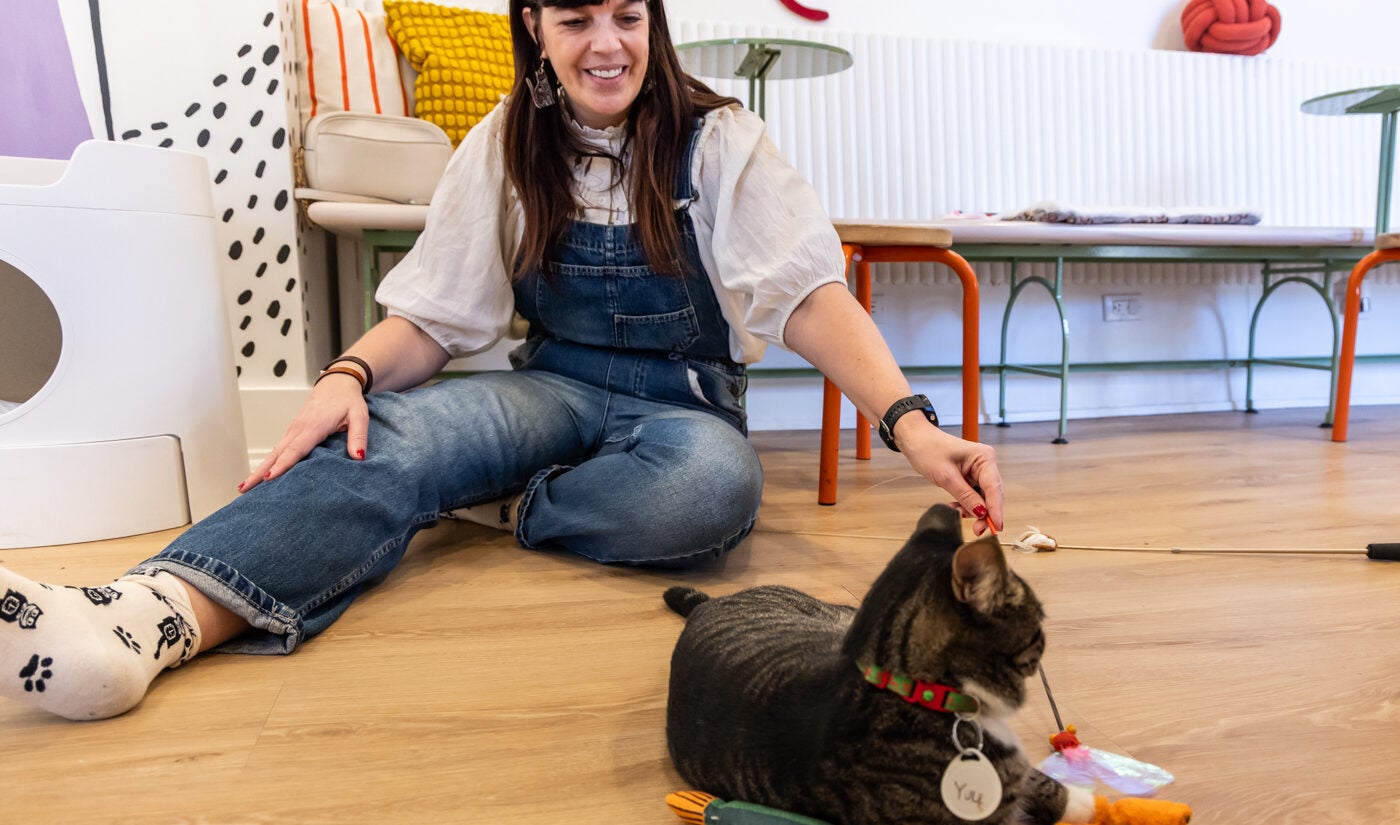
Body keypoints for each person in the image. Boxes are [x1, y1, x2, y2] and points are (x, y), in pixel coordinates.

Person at [0, 0, 1002, 722]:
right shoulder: (503, 141)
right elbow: (435, 320)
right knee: (385, 438)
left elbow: (807, 298)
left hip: (681, 410)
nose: (604, 44)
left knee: (707, 492)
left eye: (624, 17)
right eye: (575, 19)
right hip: (551, 388)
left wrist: (910, 423)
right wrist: (345, 378)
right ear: (534, 25)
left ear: (652, 23)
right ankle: (146, 617)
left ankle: (503, 500)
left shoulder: (721, 141)